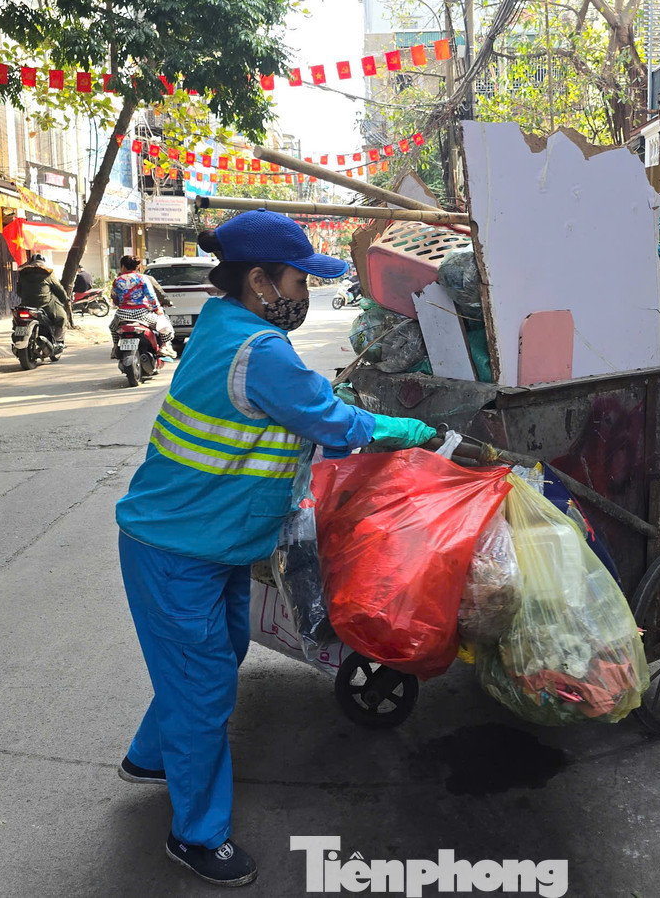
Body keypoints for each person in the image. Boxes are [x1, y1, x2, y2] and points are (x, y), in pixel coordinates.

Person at [113, 209, 435, 886]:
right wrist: (408, 427)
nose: (305, 292)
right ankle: (196, 833)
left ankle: (152, 755)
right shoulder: (259, 350)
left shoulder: (228, 326)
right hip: (176, 550)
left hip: (208, 542)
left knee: (217, 653)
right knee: (202, 686)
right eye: (298, 280)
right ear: (259, 280)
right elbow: (336, 421)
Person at [110, 255, 175, 358]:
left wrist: (121, 305)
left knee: (113, 328)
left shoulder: (117, 280)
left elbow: (114, 297)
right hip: (142, 314)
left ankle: (115, 347)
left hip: (122, 315)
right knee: (165, 326)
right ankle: (164, 346)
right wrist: (157, 309)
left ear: (122, 266)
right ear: (137, 266)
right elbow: (151, 296)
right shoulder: (142, 279)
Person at [14, 254, 71, 343]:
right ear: (44, 263)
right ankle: (57, 340)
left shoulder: (23, 274)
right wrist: (66, 299)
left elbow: (19, 292)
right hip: (45, 305)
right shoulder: (48, 273)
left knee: (17, 318)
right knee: (62, 317)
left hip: (26, 305)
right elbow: (59, 289)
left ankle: (18, 336)